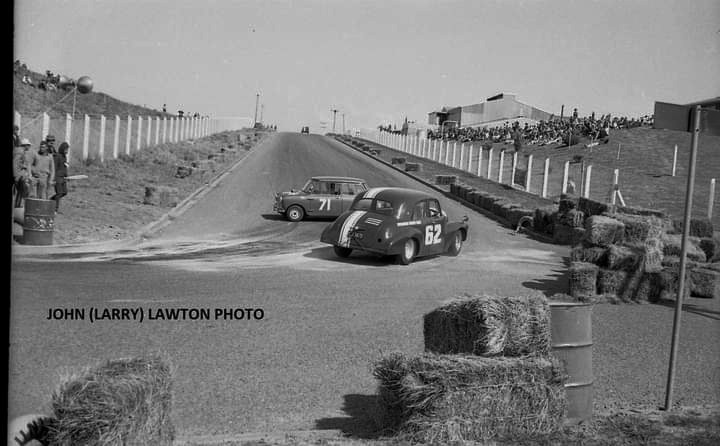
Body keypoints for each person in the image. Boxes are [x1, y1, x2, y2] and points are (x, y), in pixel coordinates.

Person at [13, 138, 32, 207]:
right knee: (21, 193)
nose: (29, 147)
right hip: (19, 176)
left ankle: (17, 208)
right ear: (25, 145)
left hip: (20, 176)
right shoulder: (19, 152)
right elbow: (15, 164)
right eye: (28, 145)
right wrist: (16, 176)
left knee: (21, 193)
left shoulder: (21, 152)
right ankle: (17, 209)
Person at [52, 142, 69, 212]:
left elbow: (65, 167)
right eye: (66, 149)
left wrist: (66, 176)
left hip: (63, 178)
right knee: (59, 193)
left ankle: (51, 200)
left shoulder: (65, 157)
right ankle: (55, 208)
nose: (67, 151)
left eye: (67, 149)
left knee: (64, 192)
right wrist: (54, 178)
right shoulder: (57, 156)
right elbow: (54, 168)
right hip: (58, 178)